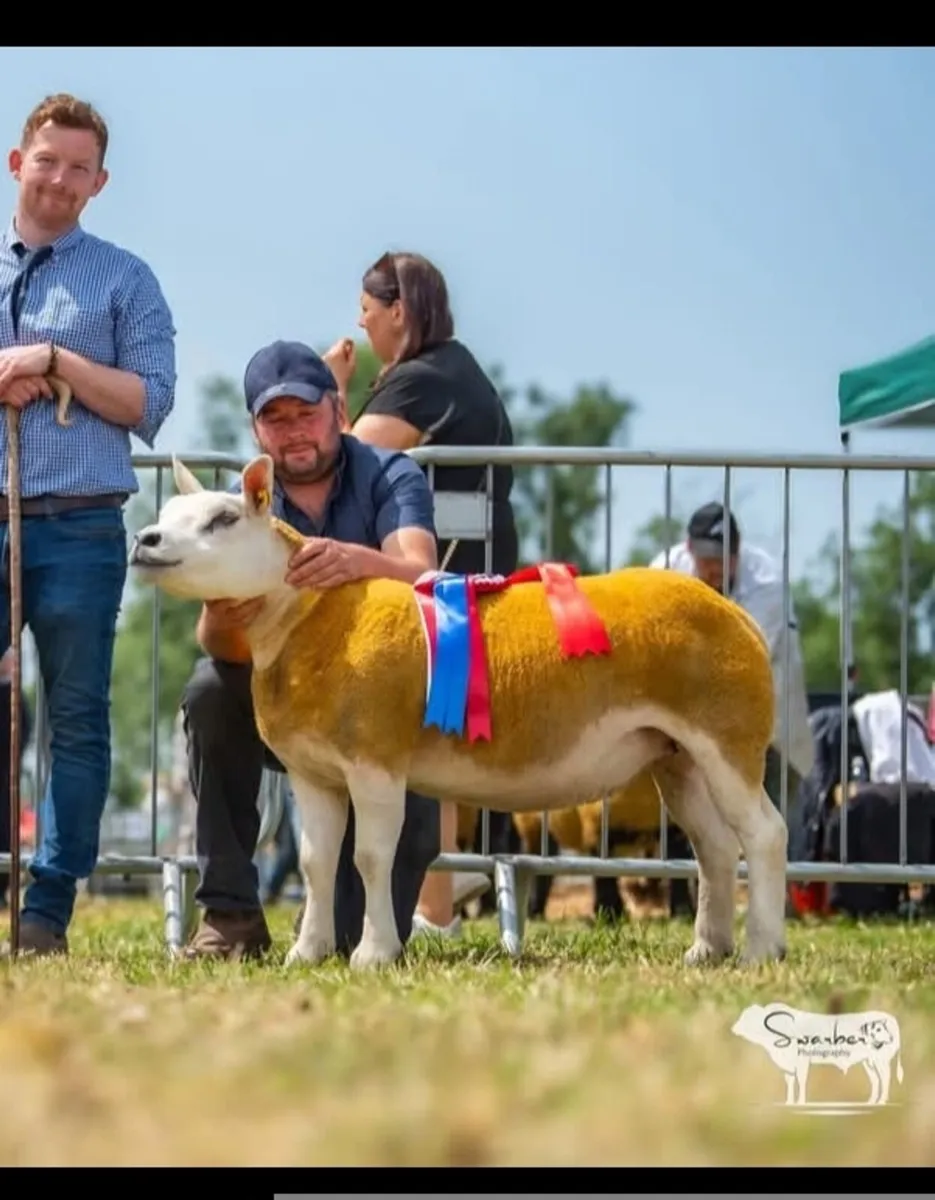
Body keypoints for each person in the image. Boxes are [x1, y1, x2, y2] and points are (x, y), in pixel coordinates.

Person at [179, 339, 443, 961]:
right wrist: (224, 612)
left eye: (306, 414)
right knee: (210, 690)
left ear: (337, 409)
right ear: (255, 429)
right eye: (275, 419)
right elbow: (214, 643)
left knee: (357, 939)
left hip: (377, 713)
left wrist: (358, 562)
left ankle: (333, 912)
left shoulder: (391, 472)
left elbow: (424, 577)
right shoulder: (238, 504)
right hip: (284, 703)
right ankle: (231, 913)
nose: (293, 433)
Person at [0, 94, 176, 956]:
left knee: (75, 718)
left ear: (99, 182)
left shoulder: (125, 278)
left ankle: (47, 907)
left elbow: (150, 403)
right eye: (48, 160)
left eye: (79, 167)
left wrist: (55, 360)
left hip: (80, 528)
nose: (61, 179)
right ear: (15, 162)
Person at [324, 250, 520, 937]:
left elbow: (341, 462)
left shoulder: (419, 381)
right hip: (466, 568)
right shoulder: (453, 370)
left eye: (368, 314)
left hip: (443, 582)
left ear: (398, 311)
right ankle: (437, 894)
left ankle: (433, 903)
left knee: (425, 727)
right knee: (433, 727)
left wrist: (332, 392)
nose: (363, 327)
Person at [648, 501, 815, 814]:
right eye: (706, 560)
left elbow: (742, 664)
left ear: (738, 555)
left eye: (723, 560)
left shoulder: (767, 584)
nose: (714, 570)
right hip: (689, 723)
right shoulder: (663, 572)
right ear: (688, 549)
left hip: (771, 727)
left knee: (770, 824)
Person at [0, 648, 32, 910]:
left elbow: (23, 732)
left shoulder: (14, 696)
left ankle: (1, 889)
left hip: (4, 779)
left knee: (4, 829)